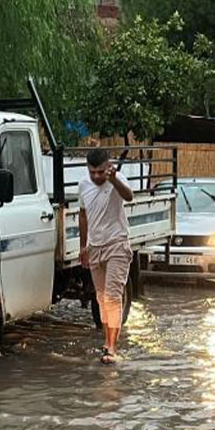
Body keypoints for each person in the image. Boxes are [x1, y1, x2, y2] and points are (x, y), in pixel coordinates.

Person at [78, 148, 134, 364]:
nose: (96, 176)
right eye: (92, 172)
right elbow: (83, 216)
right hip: (95, 247)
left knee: (112, 296)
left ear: (108, 167)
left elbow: (129, 196)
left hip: (117, 244)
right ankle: (106, 340)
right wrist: (84, 247)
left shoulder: (117, 179)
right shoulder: (83, 185)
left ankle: (112, 348)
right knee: (101, 298)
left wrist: (113, 180)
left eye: (100, 172)